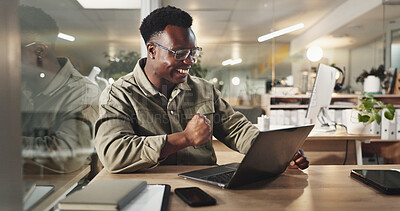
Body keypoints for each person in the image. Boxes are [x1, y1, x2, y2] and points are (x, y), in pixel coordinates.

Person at [94, 6, 309, 173]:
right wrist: (184, 138)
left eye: (193, 52)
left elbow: (236, 129)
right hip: (148, 189)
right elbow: (114, 154)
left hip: (204, 184)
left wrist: (277, 153)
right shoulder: (119, 95)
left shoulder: (204, 90)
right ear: (152, 50)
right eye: (179, 53)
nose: (189, 61)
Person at [20, 6, 101, 174]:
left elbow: (68, 155)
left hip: (59, 194)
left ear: (39, 51)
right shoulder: (16, 87)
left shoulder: (83, 93)